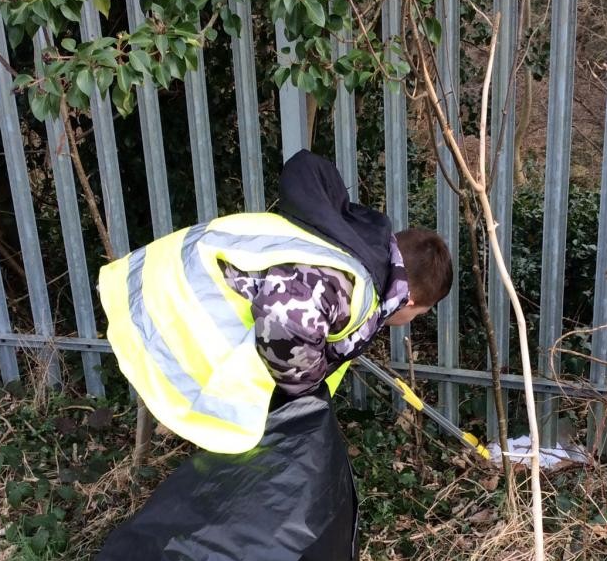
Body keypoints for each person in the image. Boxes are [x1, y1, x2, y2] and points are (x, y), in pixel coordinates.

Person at [99, 149, 453, 453]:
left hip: (158, 278)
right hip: (165, 305)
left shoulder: (347, 245)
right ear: (409, 300)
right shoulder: (351, 283)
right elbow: (284, 320)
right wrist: (305, 391)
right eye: (421, 313)